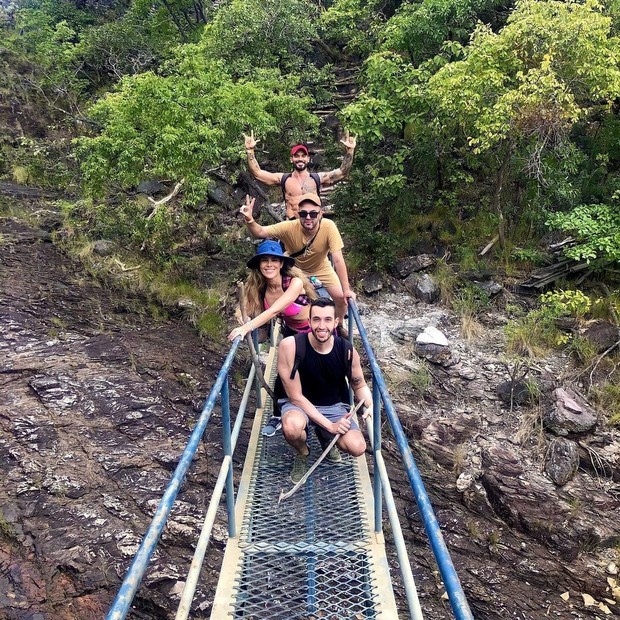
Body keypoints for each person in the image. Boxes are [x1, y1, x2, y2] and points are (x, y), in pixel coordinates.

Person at [277, 298, 370, 483]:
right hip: (299, 404)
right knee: (292, 428)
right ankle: (303, 452)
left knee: (358, 447)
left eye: (327, 320)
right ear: (309, 321)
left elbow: (359, 385)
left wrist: (370, 405)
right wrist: (330, 426)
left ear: (336, 322)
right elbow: (295, 397)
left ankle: (324, 436)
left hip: (332, 405)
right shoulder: (290, 346)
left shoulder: (347, 351)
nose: (321, 325)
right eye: (316, 319)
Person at [239, 193, 355, 330]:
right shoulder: (289, 227)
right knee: (277, 289)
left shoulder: (329, 227)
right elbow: (261, 232)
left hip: (321, 266)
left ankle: (339, 324)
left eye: (313, 214)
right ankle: (275, 324)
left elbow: (338, 259)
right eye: (303, 213)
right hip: (295, 267)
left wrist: (346, 289)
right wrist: (250, 219)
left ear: (320, 213)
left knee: (341, 299)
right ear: (298, 213)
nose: (308, 217)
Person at [243, 130, 357, 219]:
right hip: (292, 225)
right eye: (296, 156)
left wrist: (350, 151)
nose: (300, 159)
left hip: (314, 226)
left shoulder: (317, 178)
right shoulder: (284, 179)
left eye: (303, 156)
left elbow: (342, 172)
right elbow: (257, 173)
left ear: (308, 159)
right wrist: (250, 151)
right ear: (291, 159)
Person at [227, 239, 318, 343]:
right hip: (291, 332)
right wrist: (242, 317)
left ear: (281, 264)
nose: (269, 264)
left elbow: (274, 310)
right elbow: (242, 307)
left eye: (274, 260)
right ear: (259, 264)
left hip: (315, 330)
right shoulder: (260, 287)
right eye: (264, 260)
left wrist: (246, 328)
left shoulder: (294, 283)